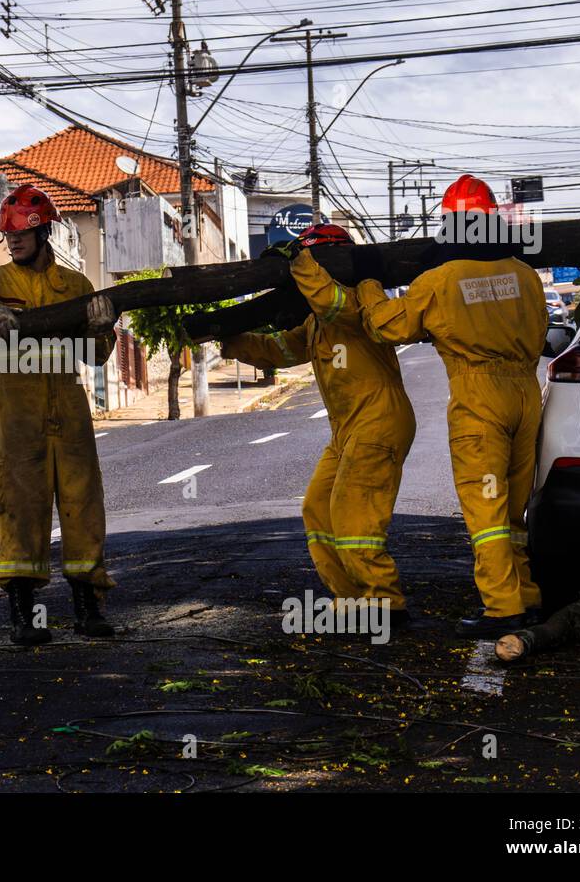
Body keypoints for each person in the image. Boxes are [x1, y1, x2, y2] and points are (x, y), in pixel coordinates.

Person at [353, 175, 547, 638]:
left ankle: (502, 608)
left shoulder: (439, 279)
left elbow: (386, 327)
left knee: (486, 509)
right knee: (514, 508)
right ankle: (526, 597)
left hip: (479, 396)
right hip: (526, 392)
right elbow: (542, 331)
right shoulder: (524, 274)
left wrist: (367, 284)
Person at [0, 185, 118, 645]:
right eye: (7, 235)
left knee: (83, 507)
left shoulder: (75, 287)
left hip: (70, 410)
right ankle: (26, 618)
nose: (12, 242)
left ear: (44, 232)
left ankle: (88, 610)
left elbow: (96, 355)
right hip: (16, 411)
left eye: (21, 234)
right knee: (20, 509)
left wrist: (99, 327)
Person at [219, 224, 416, 622]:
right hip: (348, 430)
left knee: (354, 515)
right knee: (318, 508)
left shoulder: (359, 299)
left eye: (315, 264)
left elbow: (330, 300)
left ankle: (384, 600)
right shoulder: (316, 324)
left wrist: (298, 260)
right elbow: (280, 349)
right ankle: (350, 598)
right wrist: (229, 338)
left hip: (378, 422)